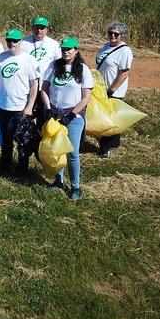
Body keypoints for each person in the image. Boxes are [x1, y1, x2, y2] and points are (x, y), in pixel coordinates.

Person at [41, 37, 94, 200]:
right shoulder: (54, 66)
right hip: (55, 114)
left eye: (70, 49)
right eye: (64, 49)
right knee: (57, 149)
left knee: (72, 152)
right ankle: (59, 180)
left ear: (76, 50)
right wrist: (48, 109)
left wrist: (71, 115)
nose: (66, 51)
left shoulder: (83, 69)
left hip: (74, 116)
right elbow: (44, 89)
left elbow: (86, 97)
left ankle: (75, 187)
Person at [0, 29, 40, 177]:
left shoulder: (28, 59)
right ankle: (5, 165)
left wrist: (30, 106)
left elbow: (34, 85)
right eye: (9, 40)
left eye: (15, 41)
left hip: (20, 107)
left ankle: (22, 169)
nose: (11, 43)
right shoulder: (2, 57)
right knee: (5, 139)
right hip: (3, 105)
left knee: (22, 139)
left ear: (21, 42)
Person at [95, 21, 134, 159]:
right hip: (102, 88)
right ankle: (114, 143)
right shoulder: (106, 46)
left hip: (113, 91)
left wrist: (111, 90)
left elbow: (124, 73)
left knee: (108, 120)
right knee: (113, 117)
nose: (112, 36)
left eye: (116, 34)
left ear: (122, 36)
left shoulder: (125, 51)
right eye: (110, 33)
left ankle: (104, 149)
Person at [20, 17, 59, 125]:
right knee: (26, 114)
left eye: (42, 28)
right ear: (32, 28)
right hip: (27, 86)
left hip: (45, 87)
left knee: (43, 116)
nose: (39, 31)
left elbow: (59, 64)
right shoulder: (23, 42)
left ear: (47, 30)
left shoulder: (54, 45)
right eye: (37, 27)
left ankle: (41, 138)